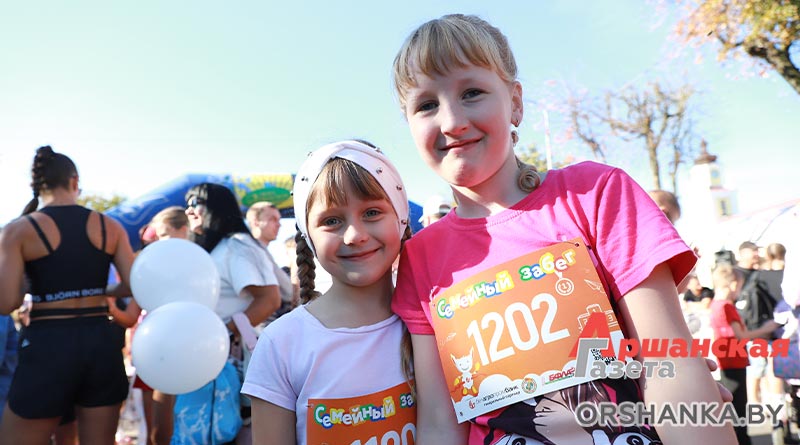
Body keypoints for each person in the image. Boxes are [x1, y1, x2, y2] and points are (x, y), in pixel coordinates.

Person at [390, 14, 734, 444]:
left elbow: (670, 366)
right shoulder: (419, 257)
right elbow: (441, 423)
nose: (451, 121)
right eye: (426, 105)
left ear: (515, 103)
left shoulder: (596, 194)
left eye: (472, 93)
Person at [241, 140, 416, 445]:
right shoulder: (282, 344)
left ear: (400, 218)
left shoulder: (433, 323)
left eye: (372, 212)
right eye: (331, 221)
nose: (355, 235)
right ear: (308, 234)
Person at [0, 145, 135, 444]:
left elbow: (6, 302)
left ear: (38, 185)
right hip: (100, 342)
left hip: (48, 343)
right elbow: (132, 284)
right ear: (74, 182)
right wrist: (99, 291)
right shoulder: (109, 227)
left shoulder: (18, 230)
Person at [710, 264, 780, 445]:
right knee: (739, 412)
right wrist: (766, 329)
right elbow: (741, 336)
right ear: (733, 284)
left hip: (726, 361)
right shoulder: (727, 306)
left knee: (733, 410)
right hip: (735, 361)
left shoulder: (715, 305)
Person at [246, 201, 299, 323]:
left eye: (279, 220)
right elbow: (289, 293)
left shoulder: (262, 254)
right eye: (272, 219)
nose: (279, 225)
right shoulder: (250, 253)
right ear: (255, 222)